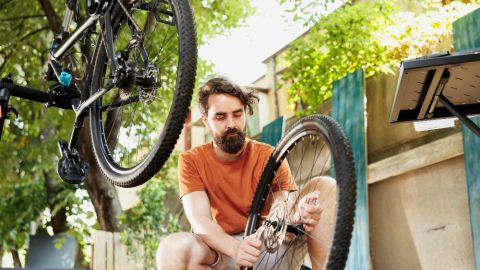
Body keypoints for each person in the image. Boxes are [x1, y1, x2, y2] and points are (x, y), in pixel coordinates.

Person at [156, 77, 330, 270]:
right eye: (220, 117)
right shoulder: (192, 160)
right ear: (206, 120)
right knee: (171, 249)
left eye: (237, 114)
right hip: (228, 253)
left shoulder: (271, 156)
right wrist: (236, 248)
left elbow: (282, 207)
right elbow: (200, 220)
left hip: (271, 246)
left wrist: (299, 214)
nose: (231, 124)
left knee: (325, 186)